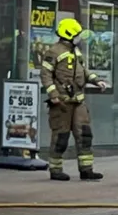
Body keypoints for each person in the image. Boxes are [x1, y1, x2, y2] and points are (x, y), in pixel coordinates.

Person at [41, 18, 109, 181]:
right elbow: (45, 75)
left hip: (78, 101)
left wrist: (95, 80)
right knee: (60, 137)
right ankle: (56, 170)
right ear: (69, 34)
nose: (79, 37)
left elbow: (83, 71)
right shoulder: (54, 52)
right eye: (77, 34)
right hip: (62, 103)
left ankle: (86, 170)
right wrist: (54, 95)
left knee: (84, 134)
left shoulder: (76, 51)